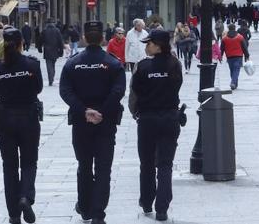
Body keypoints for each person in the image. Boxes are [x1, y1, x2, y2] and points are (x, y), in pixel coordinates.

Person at [59, 21, 126, 224]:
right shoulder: (113, 63)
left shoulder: (73, 63)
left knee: (84, 165)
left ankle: (85, 207)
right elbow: (118, 91)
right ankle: (98, 214)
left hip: (81, 122)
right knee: (103, 168)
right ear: (103, 39)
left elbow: (65, 91)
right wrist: (101, 111)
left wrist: (84, 110)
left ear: (85, 38)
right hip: (105, 122)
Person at [0, 28, 43, 224]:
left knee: (9, 166)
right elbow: (38, 88)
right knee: (29, 162)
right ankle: (25, 197)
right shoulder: (31, 64)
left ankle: (13, 214)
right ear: (22, 43)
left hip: (4, 119)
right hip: (28, 117)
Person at [129, 29, 183, 222]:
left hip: (147, 120)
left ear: (158, 45)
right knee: (165, 165)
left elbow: (134, 92)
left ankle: (146, 201)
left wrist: (135, 112)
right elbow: (177, 86)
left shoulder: (142, 67)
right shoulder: (175, 64)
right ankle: (162, 208)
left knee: (147, 164)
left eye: (149, 43)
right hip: (169, 118)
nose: (146, 46)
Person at [220, 24, 250, 90]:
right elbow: (244, 48)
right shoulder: (240, 37)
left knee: (232, 70)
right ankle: (233, 83)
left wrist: (220, 56)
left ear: (228, 28)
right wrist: (247, 56)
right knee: (236, 70)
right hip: (238, 56)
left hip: (229, 57)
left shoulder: (224, 39)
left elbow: (221, 49)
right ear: (235, 28)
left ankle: (234, 83)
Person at [36, 19, 63, 86]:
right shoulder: (57, 30)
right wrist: (61, 51)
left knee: (49, 65)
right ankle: (52, 77)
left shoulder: (45, 31)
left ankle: (50, 79)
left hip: (47, 50)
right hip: (55, 50)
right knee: (53, 65)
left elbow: (40, 40)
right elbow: (60, 41)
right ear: (53, 23)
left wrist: (39, 48)